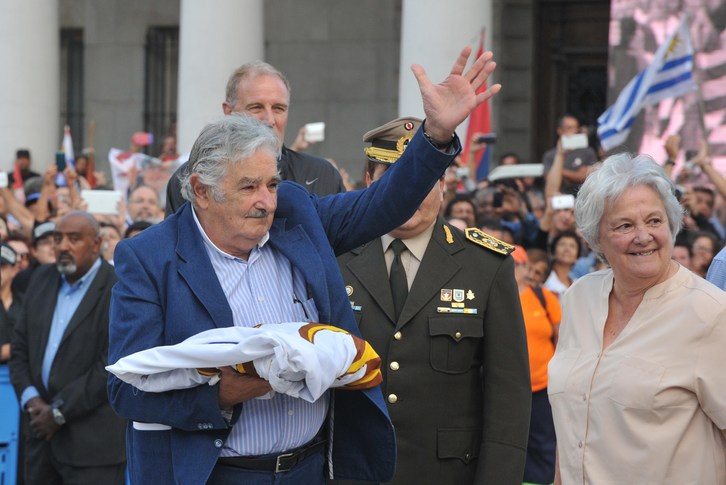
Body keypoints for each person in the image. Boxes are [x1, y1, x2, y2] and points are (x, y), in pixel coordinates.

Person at [108, 46, 501, 484]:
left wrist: (435, 136)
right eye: (249, 187)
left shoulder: (295, 214)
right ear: (201, 190)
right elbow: (125, 388)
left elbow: (382, 204)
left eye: (272, 184)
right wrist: (222, 395)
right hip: (218, 474)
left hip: (311, 469)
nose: (266, 201)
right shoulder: (148, 258)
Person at [336, 117, 530, 485]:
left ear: (443, 184)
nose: (407, 192)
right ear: (368, 182)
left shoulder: (485, 266)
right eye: (392, 179)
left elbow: (509, 399)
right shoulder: (336, 257)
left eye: (421, 179)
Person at [549, 153, 726, 484]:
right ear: (595, 237)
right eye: (625, 225)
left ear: (672, 224)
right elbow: (573, 422)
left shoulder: (713, 313)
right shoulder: (578, 298)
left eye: (655, 221)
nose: (643, 236)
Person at [9, 211, 126, 484]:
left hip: (93, 449)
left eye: (74, 239)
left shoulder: (118, 287)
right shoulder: (40, 279)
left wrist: (59, 411)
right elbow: (20, 349)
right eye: (57, 238)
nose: (62, 246)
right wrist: (31, 400)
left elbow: (111, 365)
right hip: (40, 436)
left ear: (96, 244)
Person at [165, 60, 345, 214]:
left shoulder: (323, 175)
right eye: (256, 108)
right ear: (229, 112)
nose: (269, 120)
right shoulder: (190, 178)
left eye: (278, 108)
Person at [511, 246, 560, 485]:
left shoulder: (542, 296)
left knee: (543, 442)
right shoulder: (494, 296)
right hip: (507, 387)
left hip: (543, 385)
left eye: (514, 264)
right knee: (510, 441)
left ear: (525, 268)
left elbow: (562, 336)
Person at [540, 115, 598, 196]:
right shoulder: (550, 155)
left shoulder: (588, 152)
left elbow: (585, 177)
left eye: (576, 127)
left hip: (583, 198)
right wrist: (574, 174)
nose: (574, 131)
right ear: (560, 130)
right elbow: (550, 181)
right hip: (560, 198)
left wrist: (559, 171)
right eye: (569, 128)